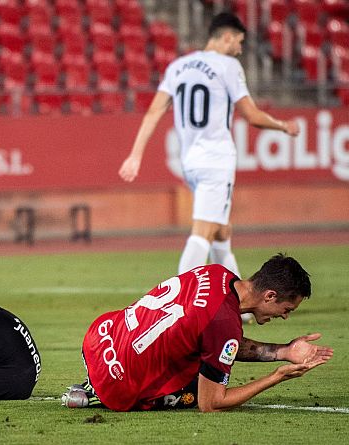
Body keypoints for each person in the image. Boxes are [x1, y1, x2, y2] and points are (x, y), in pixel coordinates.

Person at [117, 13, 300, 317]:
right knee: (203, 231)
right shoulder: (228, 66)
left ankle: (241, 309)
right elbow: (252, 115)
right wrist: (283, 125)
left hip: (189, 160)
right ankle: (177, 307)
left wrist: (135, 154)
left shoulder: (177, 67)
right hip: (216, 159)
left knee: (221, 231)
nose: (240, 49)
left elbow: (152, 113)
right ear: (227, 37)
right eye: (239, 42)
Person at [63, 254, 332, 412]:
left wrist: (283, 351)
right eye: (286, 309)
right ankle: (95, 394)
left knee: (201, 352)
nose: (284, 316)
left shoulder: (215, 272)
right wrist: (277, 376)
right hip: (118, 383)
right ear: (270, 295)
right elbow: (211, 404)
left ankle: (93, 381)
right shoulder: (224, 322)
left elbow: (217, 337)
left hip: (100, 337)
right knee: (197, 386)